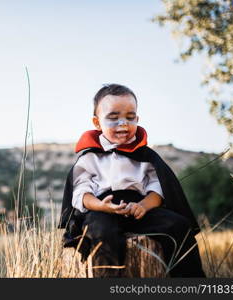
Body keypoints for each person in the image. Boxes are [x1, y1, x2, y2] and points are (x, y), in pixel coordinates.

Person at [58, 83, 205, 277]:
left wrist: (143, 205)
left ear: (137, 118)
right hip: (102, 210)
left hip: (139, 210)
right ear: (97, 122)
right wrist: (101, 206)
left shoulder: (145, 155)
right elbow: (80, 193)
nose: (123, 123)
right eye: (113, 117)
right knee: (102, 232)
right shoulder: (89, 157)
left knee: (178, 225)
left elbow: (157, 188)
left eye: (130, 117)